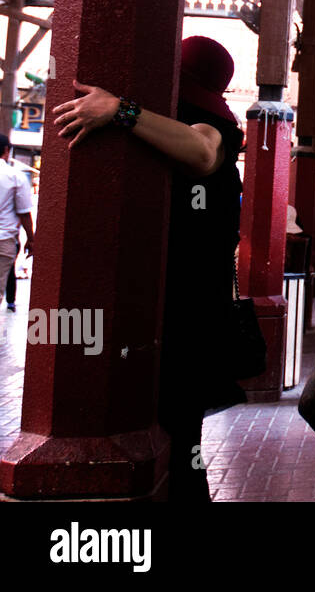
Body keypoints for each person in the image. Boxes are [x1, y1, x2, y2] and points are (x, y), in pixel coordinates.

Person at [50, 35, 247, 502]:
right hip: (175, 315)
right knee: (179, 446)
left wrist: (122, 111)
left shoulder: (216, 125)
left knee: (179, 448)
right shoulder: (182, 122)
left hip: (186, 318)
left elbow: (201, 152)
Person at [0, 136, 35, 313]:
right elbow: (24, 212)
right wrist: (31, 239)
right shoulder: (16, 176)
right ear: (6, 150)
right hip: (3, 239)